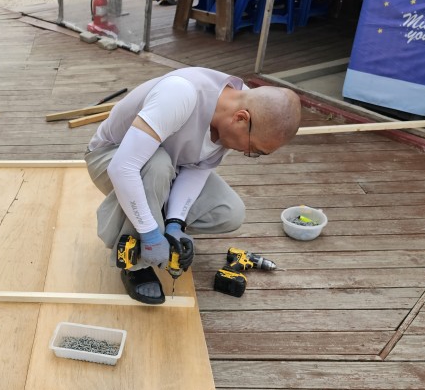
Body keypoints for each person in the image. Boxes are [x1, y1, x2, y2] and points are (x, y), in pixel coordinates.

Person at [85, 67, 302, 305]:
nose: (247, 153)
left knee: (229, 211)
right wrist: (149, 233)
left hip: (170, 165)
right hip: (111, 157)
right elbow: (122, 168)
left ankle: (157, 224)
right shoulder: (180, 94)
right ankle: (136, 265)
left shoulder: (248, 108)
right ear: (241, 118)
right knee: (158, 165)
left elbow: (197, 169)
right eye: (253, 150)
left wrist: (175, 223)